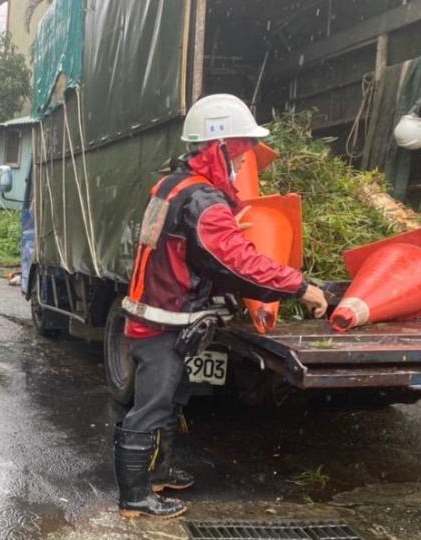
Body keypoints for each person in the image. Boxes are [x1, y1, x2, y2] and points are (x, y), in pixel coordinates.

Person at [115, 94, 328, 519]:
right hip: (164, 321)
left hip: (158, 312)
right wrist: (300, 287)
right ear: (220, 147)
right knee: (152, 405)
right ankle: (135, 497)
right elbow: (240, 264)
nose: (245, 159)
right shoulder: (202, 202)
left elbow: (188, 254)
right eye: (241, 149)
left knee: (172, 397)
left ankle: (158, 472)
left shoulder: (171, 184)